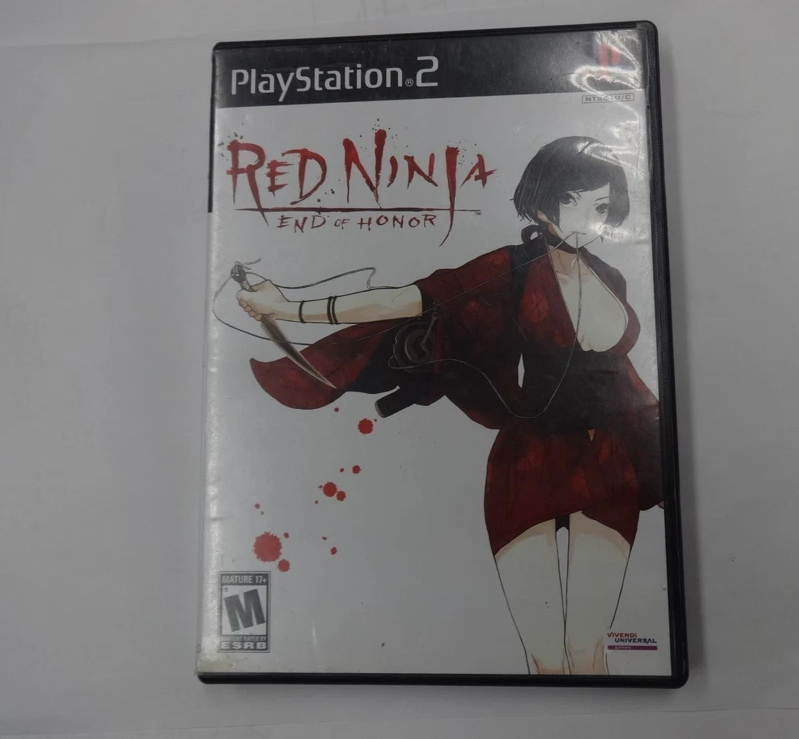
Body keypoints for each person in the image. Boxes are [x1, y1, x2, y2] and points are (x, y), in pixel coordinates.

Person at [237, 136, 662, 675]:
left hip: (607, 462)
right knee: (546, 658)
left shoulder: (612, 277)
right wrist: (288, 308)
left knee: (588, 649)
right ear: (541, 204)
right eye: (572, 200)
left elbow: (623, 377)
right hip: (528, 463)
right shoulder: (506, 268)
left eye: (601, 205)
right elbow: (404, 299)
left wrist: (657, 448)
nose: (589, 217)